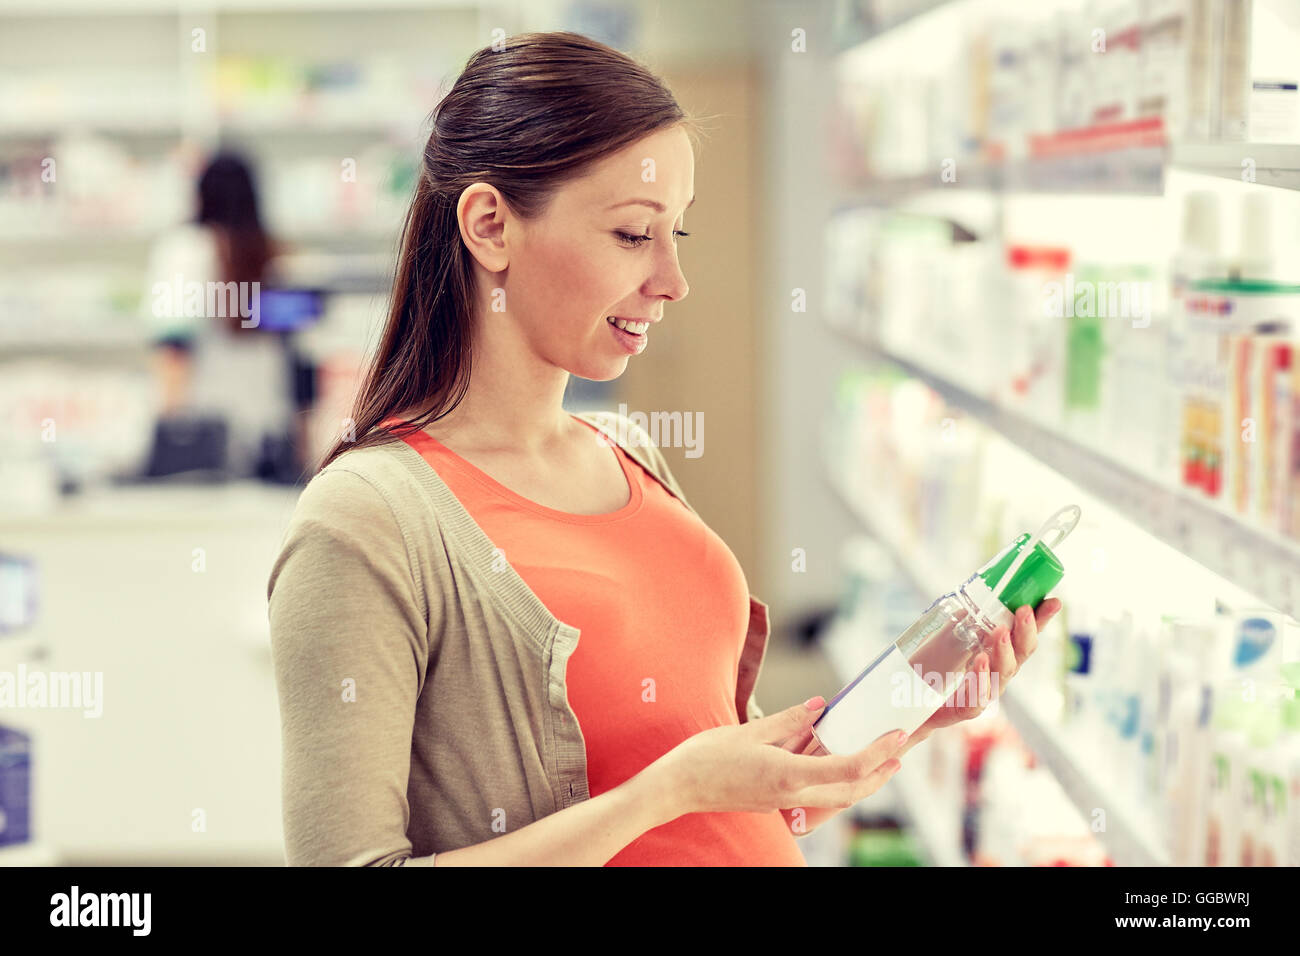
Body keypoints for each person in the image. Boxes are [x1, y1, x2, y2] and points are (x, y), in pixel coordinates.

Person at [266, 31, 1060, 867]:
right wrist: (666, 791)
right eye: (631, 234)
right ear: (491, 225)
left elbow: (733, 806)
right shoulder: (365, 521)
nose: (672, 281)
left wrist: (911, 708)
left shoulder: (629, 451)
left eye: (677, 234)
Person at [142, 151, 297, 479]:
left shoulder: (185, 251)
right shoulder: (275, 255)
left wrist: (168, 432)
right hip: (268, 433)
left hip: (202, 437)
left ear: (199, 195)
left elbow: (173, 347)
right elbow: (293, 354)